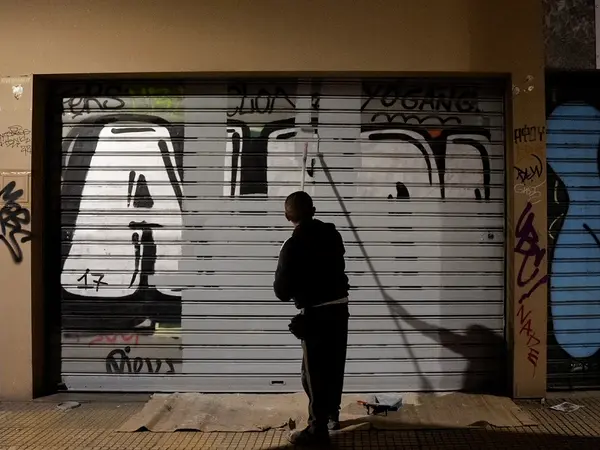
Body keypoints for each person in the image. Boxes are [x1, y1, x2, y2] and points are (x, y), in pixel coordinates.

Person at [273, 191, 350, 446]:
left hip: (314, 314)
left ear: (287, 217)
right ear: (314, 211)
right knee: (334, 365)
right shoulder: (333, 235)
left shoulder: (291, 245)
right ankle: (332, 415)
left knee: (312, 374)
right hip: (340, 309)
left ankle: (318, 428)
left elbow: (281, 292)